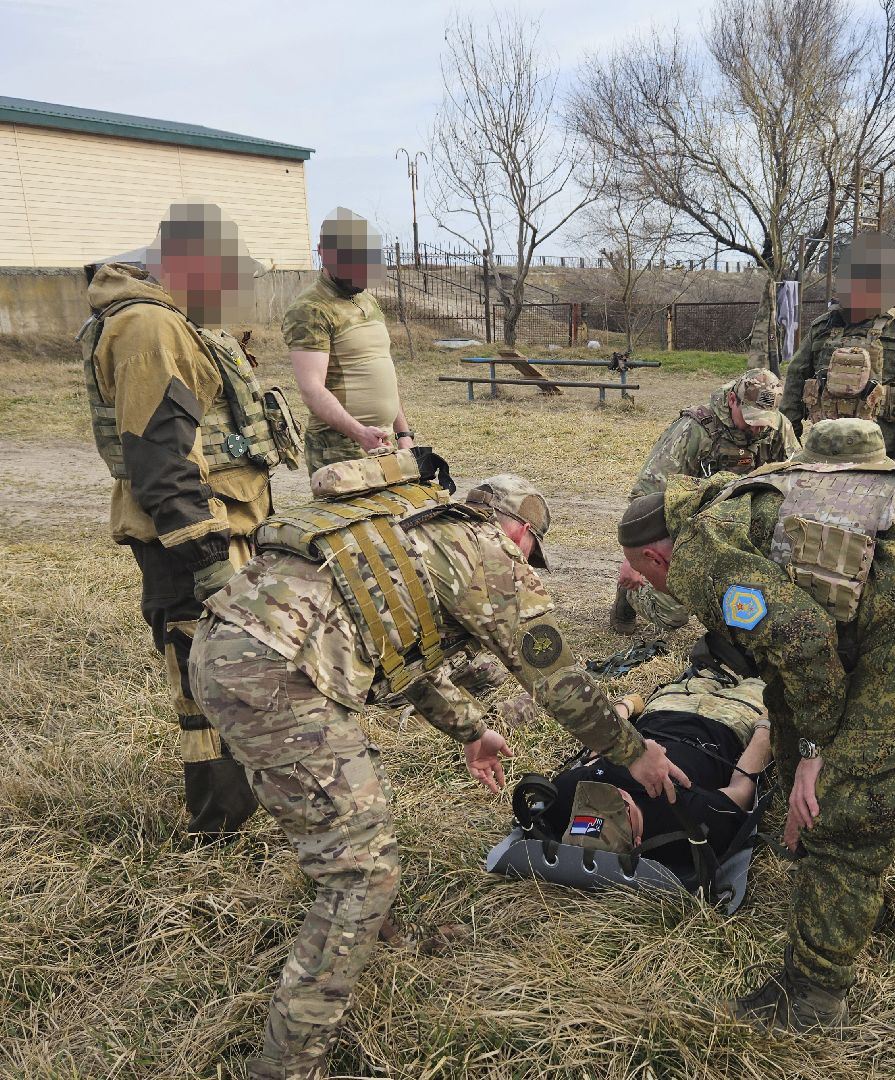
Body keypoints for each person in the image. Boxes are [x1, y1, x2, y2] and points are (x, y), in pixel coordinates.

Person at [190, 456, 688, 1080]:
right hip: (275, 677)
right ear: (518, 531)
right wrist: (634, 751)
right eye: (531, 552)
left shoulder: (409, 530)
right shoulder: (485, 550)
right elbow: (556, 676)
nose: (526, 563)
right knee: (360, 869)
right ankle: (286, 1066)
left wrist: (472, 730)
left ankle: (372, 935)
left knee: (354, 823)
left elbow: (403, 652)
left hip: (224, 650)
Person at [618, 418, 895, 1032]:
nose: (653, 586)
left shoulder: (703, 558)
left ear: (656, 555)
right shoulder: (739, 501)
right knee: (856, 762)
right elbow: (788, 659)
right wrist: (797, 746)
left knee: (846, 800)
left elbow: (803, 640)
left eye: (646, 577)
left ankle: (811, 997)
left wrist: (814, 751)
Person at [79, 202, 299, 838]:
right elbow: (159, 460)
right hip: (194, 539)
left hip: (229, 526)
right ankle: (220, 828)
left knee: (239, 673)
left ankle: (253, 804)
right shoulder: (149, 328)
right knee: (205, 682)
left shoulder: (179, 321)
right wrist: (204, 563)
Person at [536, 646, 774, 875]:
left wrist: (624, 707)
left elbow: (597, 749)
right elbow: (742, 787)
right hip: (730, 720)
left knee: (713, 664)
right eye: (620, 806)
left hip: (667, 706)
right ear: (637, 841)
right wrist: (767, 727)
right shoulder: (688, 827)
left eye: (590, 800)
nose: (614, 791)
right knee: (766, 672)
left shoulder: (566, 795)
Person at [610, 368, 798, 635]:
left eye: (764, 421)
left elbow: (797, 478)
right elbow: (648, 494)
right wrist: (633, 560)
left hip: (742, 525)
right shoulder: (695, 428)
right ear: (733, 401)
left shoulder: (778, 427)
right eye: (751, 419)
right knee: (672, 615)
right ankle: (631, 594)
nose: (757, 427)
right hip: (690, 528)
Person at [780, 233, 895, 465]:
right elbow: (794, 381)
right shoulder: (821, 327)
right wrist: (790, 441)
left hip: (877, 450)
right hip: (823, 449)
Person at [283, 207, 416, 473]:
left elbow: (383, 370)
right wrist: (359, 433)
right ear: (323, 252)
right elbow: (312, 390)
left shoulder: (367, 300)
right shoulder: (310, 309)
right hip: (339, 450)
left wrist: (404, 435)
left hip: (383, 443)